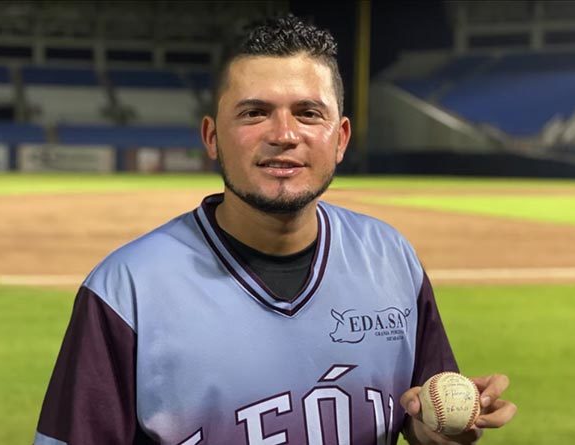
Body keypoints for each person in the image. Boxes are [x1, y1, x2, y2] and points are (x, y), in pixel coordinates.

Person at [33, 14, 516, 445]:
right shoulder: (126, 289)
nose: (283, 134)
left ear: (341, 137)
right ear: (211, 137)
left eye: (308, 113)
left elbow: (418, 413)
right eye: (253, 112)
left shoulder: (391, 258)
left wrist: (432, 431)